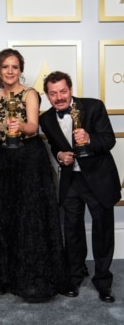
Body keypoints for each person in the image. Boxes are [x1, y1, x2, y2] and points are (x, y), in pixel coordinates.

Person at [0, 48, 70, 303]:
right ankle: (5, 276)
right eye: (5, 67)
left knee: (30, 218)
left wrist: (19, 126)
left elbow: (33, 126)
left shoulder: (30, 94)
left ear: (21, 70)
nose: (10, 71)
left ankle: (32, 277)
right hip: (5, 164)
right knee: (4, 217)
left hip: (29, 160)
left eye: (15, 67)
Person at [39, 71, 121, 303]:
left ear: (71, 90)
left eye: (63, 91)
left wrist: (89, 138)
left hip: (98, 179)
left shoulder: (94, 107)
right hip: (71, 181)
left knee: (102, 232)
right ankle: (75, 276)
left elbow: (109, 140)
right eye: (53, 93)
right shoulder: (46, 119)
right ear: (47, 95)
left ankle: (103, 281)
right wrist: (60, 154)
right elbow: (57, 147)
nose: (59, 97)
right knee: (72, 231)